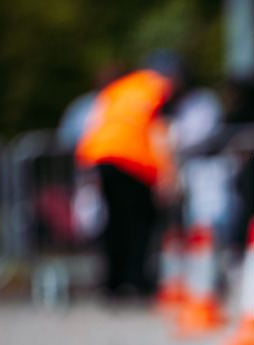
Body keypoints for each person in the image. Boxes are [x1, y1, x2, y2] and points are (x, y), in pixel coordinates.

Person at [76, 51, 183, 299]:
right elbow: (160, 134)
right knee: (140, 222)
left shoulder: (121, 88)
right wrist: (169, 175)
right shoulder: (159, 88)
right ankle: (136, 280)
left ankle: (112, 282)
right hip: (134, 159)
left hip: (102, 155)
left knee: (114, 220)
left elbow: (96, 122)